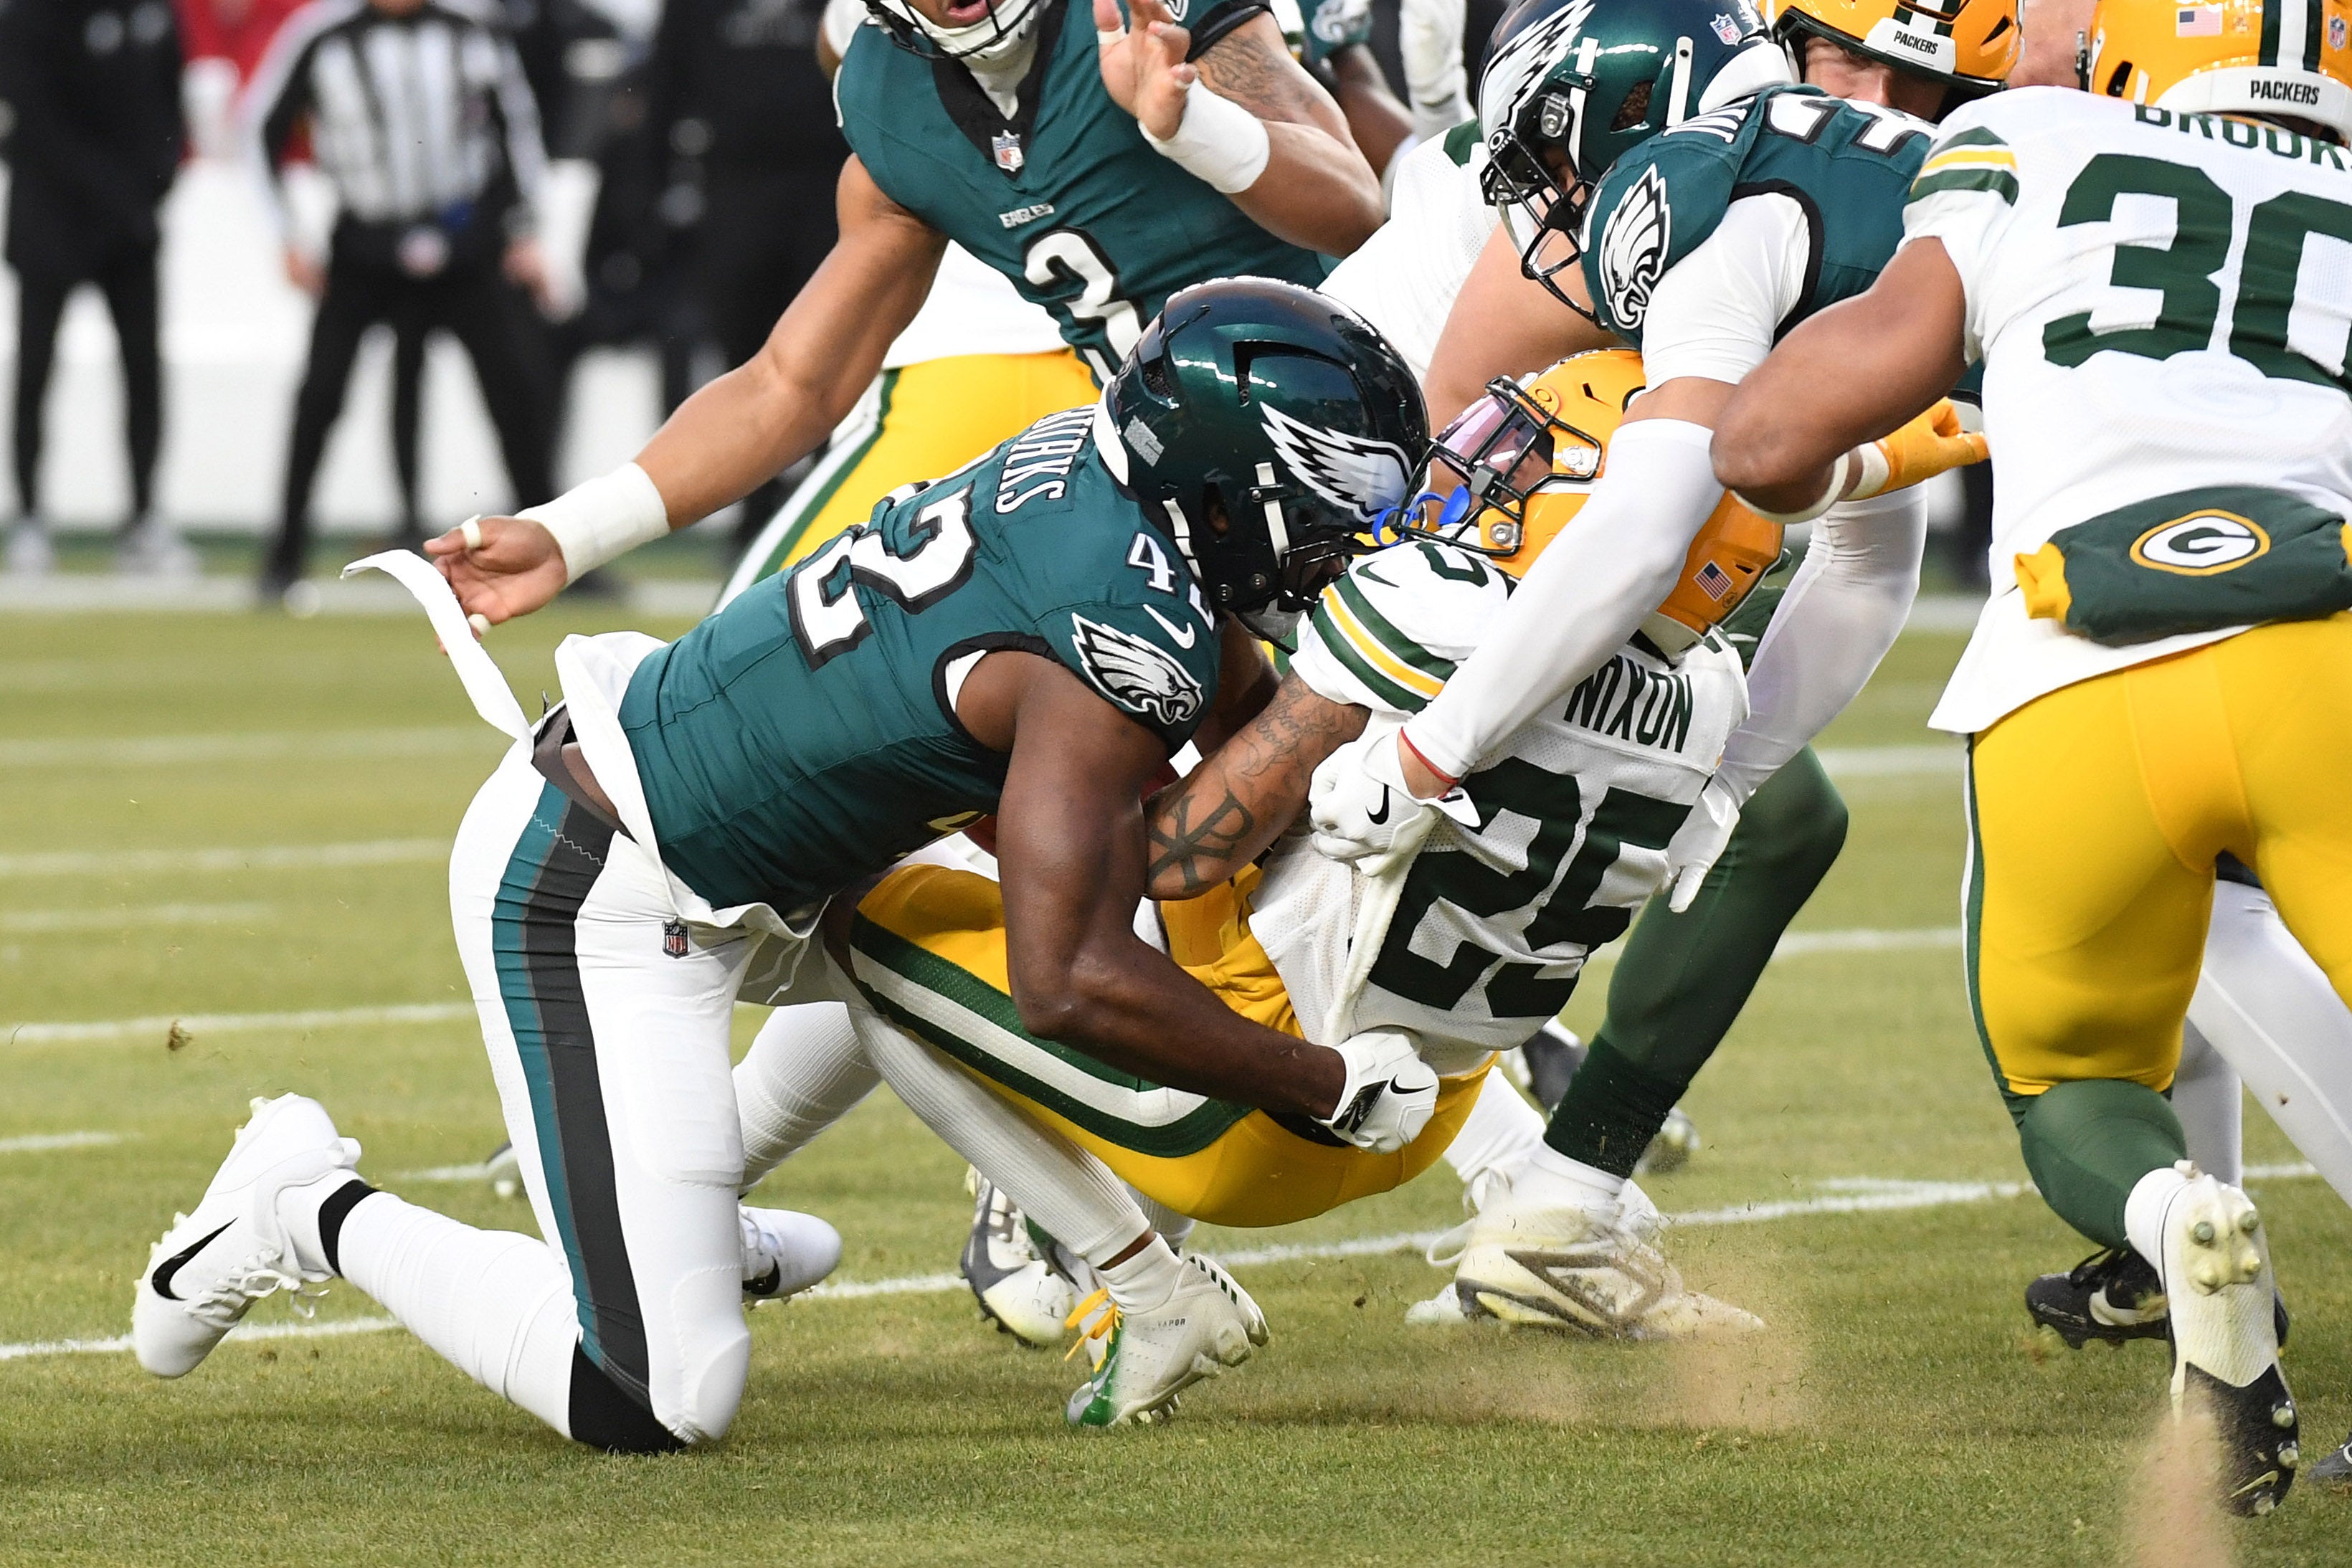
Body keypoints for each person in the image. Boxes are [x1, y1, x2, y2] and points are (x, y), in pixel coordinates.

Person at [130, 279, 1440, 1450]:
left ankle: (1119, 1286)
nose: (1355, 539)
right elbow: (1068, 984)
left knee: (921, 960)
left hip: (780, 863)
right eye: (1341, 505)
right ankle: (304, 1202)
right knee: (660, 1395)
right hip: (602, 883)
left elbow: (1231, 735)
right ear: (1218, 489)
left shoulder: (1108, 494)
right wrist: (1313, 1080)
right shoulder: (1109, 625)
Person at [740, 350, 1778, 1381]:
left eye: (1529, 463)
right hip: (1432, 1099)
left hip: (1267, 1090)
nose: (1483, 470)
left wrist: (1014, 800)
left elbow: (1187, 856)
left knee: (873, 909)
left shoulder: (1444, 604)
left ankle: (1124, 1268)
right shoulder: (1714, 695)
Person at [1707, 0, 2352, 1512]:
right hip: (2320, 653)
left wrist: (1811, 454)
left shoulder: (2024, 138)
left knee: (2069, 1077)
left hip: (2075, 676)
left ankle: (2168, 1210)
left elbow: (1761, 443)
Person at [1305, 0, 2007, 1309]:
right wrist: (1434, 743)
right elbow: (1453, 440)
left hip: (1552, 521)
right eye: (1857, 60)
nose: (1888, 107)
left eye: (1931, 87)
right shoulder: (1670, 183)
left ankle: (1559, 1201)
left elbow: (1866, 553)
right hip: (1363, 481)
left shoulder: (1845, 202)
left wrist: (1729, 772)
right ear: (1789, 50)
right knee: (1335, 843)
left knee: (1766, 812)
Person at [421, 0, 1384, 626]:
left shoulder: (1143, 13)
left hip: (1354, 434)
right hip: (1172, 489)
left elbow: (1353, 204)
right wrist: (571, 530)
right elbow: (791, 384)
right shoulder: (886, 99)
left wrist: (1191, 125)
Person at [245, 0, 559, 599]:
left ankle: (555, 545)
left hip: (464, 243)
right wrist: (286, 236)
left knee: (513, 390)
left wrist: (523, 229)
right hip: (364, 245)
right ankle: (284, 552)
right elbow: (260, 128)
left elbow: (515, 128)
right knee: (321, 395)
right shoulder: (324, 37)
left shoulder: (470, 34)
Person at [1, 0, 195, 577]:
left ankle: (143, 517)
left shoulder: (153, 11)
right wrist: (119, 193)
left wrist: (153, 188)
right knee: (36, 367)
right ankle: (31, 516)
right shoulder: (31, 16)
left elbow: (170, 108)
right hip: (51, 219)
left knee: (144, 370)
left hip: (131, 228)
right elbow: (31, 119)